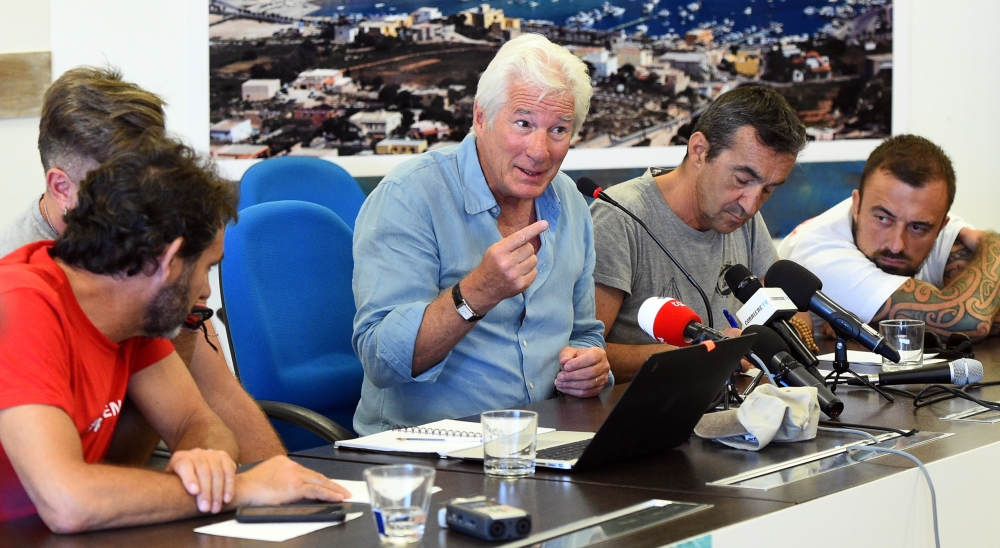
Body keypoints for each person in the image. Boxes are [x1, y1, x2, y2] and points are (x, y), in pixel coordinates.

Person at [0, 142, 349, 530]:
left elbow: (196, 422)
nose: (205, 292)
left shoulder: (130, 310)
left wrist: (206, 461)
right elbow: (67, 501)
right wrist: (240, 489)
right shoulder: (19, 305)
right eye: (206, 268)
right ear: (169, 262)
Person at [0, 66, 285, 464]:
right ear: (62, 187)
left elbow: (216, 398)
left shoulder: (153, 256)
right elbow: (76, 485)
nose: (150, 199)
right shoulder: (18, 284)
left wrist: (287, 492)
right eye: (123, 182)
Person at [351, 34, 610, 435]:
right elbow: (381, 359)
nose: (539, 150)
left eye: (558, 130)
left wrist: (591, 366)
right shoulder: (410, 196)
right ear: (480, 118)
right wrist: (476, 294)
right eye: (523, 123)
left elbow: (584, 332)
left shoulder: (571, 204)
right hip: (426, 451)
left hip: (545, 443)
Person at [591, 87, 808, 381]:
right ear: (699, 151)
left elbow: (784, 312)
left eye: (768, 189)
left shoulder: (743, 216)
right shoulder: (620, 218)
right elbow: (585, 355)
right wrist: (700, 355)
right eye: (742, 179)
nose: (751, 205)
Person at [778, 134, 1000, 340]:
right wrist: (992, 243)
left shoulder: (928, 219)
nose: (896, 245)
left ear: (942, 226)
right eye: (884, 219)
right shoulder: (821, 255)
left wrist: (875, 324)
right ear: (856, 205)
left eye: (918, 227)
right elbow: (973, 321)